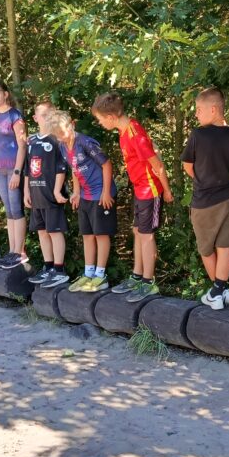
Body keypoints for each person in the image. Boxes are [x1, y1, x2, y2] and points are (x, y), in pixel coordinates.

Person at [92, 93, 174, 302]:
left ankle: (148, 282)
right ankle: (137, 276)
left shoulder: (135, 134)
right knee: (137, 231)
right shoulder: (124, 131)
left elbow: (157, 164)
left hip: (150, 190)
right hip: (139, 189)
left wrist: (166, 190)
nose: (100, 124)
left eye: (100, 120)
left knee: (147, 235)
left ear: (111, 117)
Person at [180, 87, 229, 310]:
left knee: (206, 249)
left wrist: (204, 180)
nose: (196, 114)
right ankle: (221, 290)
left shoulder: (198, 135)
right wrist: (225, 181)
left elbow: (188, 166)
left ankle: (217, 292)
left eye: (199, 109)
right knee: (225, 246)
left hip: (205, 201)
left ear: (213, 109)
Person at [48, 109, 116, 292]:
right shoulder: (63, 146)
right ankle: (89, 273)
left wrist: (106, 192)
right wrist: (76, 192)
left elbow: (106, 164)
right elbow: (75, 168)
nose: (61, 138)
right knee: (87, 234)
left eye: (62, 133)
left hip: (100, 194)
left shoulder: (85, 142)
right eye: (57, 136)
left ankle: (100, 276)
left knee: (101, 234)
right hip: (85, 195)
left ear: (72, 124)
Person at [24, 101, 70, 287]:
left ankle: (59, 270)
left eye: (50, 115)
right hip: (36, 194)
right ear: (35, 118)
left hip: (51, 196)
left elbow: (62, 168)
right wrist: (26, 192)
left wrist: (57, 190)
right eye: (43, 115)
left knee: (54, 231)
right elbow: (28, 169)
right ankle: (48, 267)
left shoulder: (56, 140)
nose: (47, 119)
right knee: (42, 232)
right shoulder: (31, 141)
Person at [0, 79, 30, 270]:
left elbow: (22, 146)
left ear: (5, 94)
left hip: (13, 169)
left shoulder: (15, 116)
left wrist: (17, 173)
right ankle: (12, 251)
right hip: (0, 169)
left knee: (16, 210)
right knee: (9, 211)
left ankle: (20, 252)